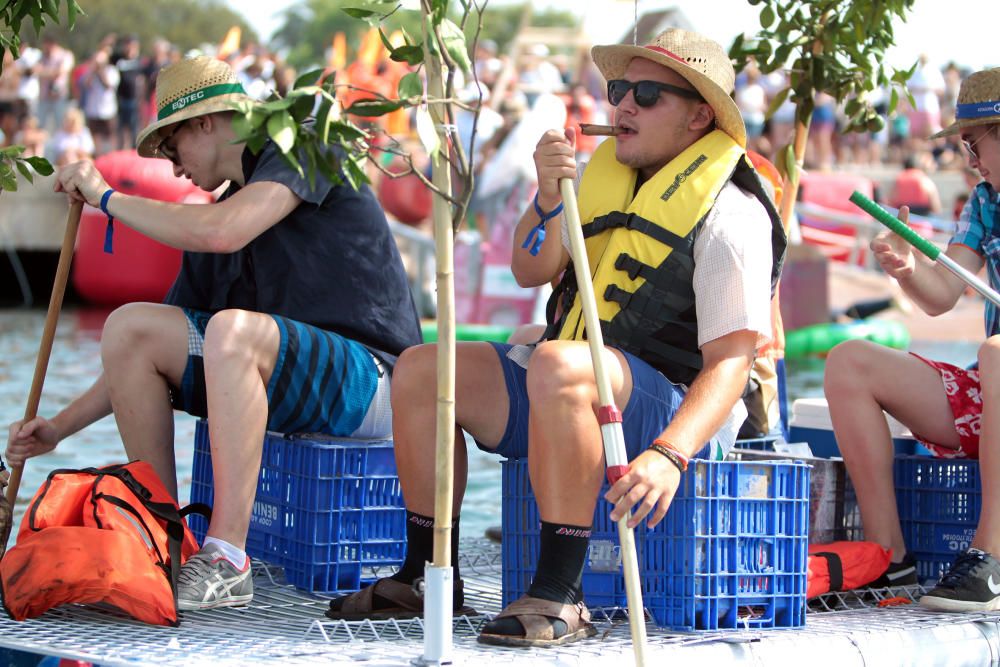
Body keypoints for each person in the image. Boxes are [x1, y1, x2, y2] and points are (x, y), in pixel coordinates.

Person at [325, 27, 785, 646]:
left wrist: (670, 454)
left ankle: (563, 592)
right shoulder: (596, 179)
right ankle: (426, 572)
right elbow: (529, 269)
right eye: (619, 89)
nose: (622, 105)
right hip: (567, 381)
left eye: (647, 95)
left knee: (561, 365)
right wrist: (546, 197)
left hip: (676, 412)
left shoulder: (732, 213)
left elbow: (731, 364)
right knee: (422, 367)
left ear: (701, 115)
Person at [5, 56, 422, 611]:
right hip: (294, 376)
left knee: (230, 332)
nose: (175, 169)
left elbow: (225, 234)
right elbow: (147, 355)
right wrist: (58, 428)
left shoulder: (306, 150)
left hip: (381, 383)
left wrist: (108, 198)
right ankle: (163, 540)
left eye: (173, 149)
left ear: (205, 123)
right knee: (133, 327)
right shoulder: (220, 209)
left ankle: (227, 557)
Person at [824, 67, 1000, 611]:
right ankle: (888, 557)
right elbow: (942, 294)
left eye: (974, 143)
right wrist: (906, 269)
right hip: (995, 388)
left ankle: (991, 556)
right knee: (848, 361)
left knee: (994, 353)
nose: (968, 158)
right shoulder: (985, 201)